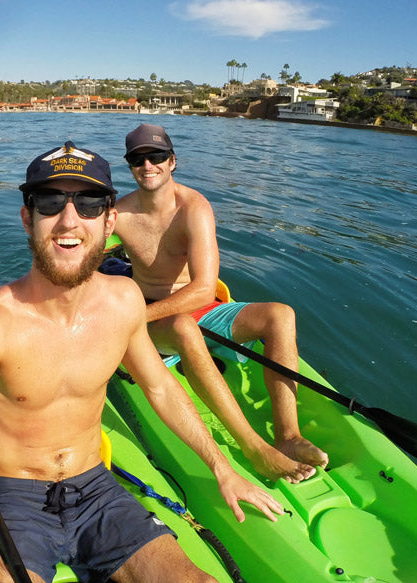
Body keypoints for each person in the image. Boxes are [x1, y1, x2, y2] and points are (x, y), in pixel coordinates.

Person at [0, 142, 283, 583]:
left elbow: (161, 388)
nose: (68, 220)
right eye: (50, 202)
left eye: (89, 204)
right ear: (27, 216)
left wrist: (221, 467)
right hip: (13, 495)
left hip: (96, 490)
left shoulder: (123, 302)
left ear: (110, 219)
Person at [112, 123, 327, 483]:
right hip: (157, 323)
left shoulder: (194, 207)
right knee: (182, 326)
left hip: (191, 309)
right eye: (138, 158)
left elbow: (203, 289)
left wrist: (136, 316)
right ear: (130, 165)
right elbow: (81, 248)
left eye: (157, 156)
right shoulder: (119, 214)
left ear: (173, 161)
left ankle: (287, 436)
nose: (148, 165)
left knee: (280, 315)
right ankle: (254, 448)